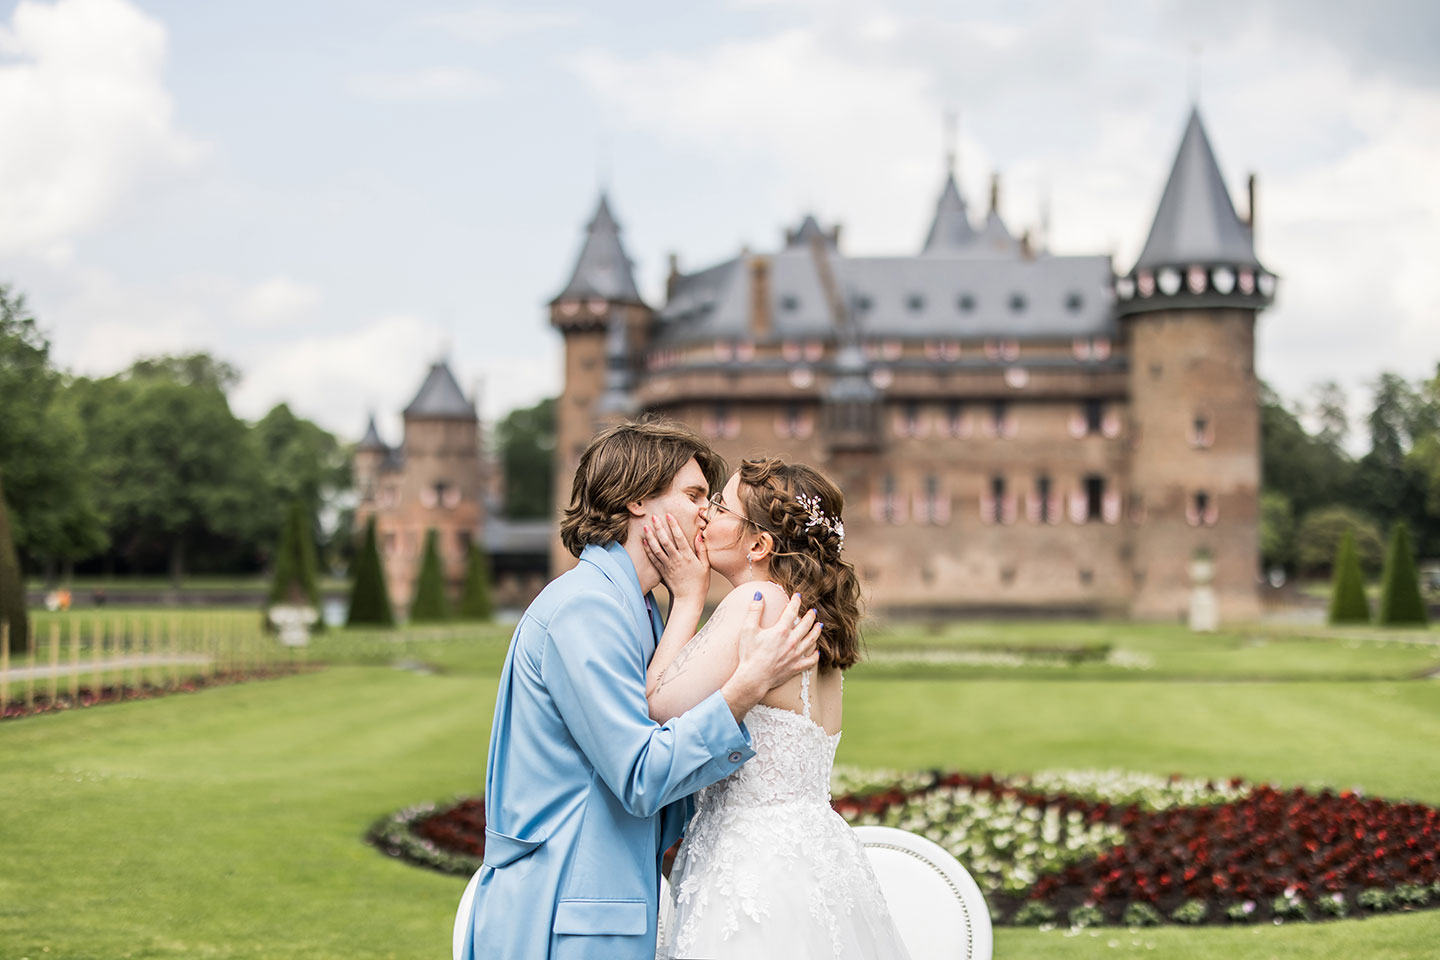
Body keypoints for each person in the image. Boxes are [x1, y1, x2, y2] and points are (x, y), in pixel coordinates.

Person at [460, 419, 822, 960]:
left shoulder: (642, 611)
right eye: (695, 495)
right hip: (563, 919)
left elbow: (668, 796)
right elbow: (640, 776)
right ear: (636, 499)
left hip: (608, 908)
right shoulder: (587, 607)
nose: (708, 512)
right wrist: (745, 688)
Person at [644, 457, 911, 960]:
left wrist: (686, 597)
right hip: (816, 854)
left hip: (753, 865)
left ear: (758, 544)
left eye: (719, 506)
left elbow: (659, 707)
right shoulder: (810, 616)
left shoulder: (757, 600)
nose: (704, 515)